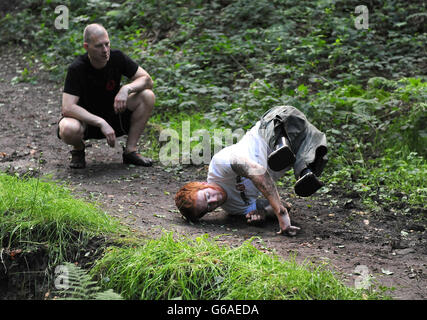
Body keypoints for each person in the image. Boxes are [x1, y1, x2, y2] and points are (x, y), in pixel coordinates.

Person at [175, 105, 328, 236]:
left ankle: (281, 146)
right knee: (316, 153)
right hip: (303, 137)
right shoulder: (233, 208)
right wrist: (263, 212)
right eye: (209, 207)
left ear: (203, 184)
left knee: (279, 136)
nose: (214, 201)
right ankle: (304, 172)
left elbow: (257, 171)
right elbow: (284, 204)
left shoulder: (219, 166)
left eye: (208, 196)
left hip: (275, 122)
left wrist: (280, 213)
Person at [57, 23, 155, 169]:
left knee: (147, 96)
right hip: (86, 122)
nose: (105, 50)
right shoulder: (77, 68)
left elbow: (147, 80)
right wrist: (101, 122)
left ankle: (130, 151)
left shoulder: (117, 58)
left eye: (107, 44)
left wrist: (126, 89)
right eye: (98, 46)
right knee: (67, 128)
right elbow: (67, 108)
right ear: (86, 47)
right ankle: (78, 150)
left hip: (115, 115)